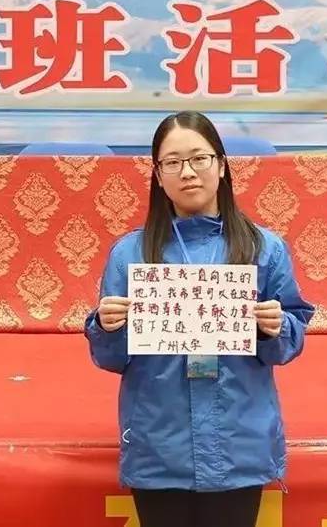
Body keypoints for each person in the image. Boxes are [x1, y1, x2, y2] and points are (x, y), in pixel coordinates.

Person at [84, 111, 315, 527]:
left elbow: (289, 341)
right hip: (159, 441)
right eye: (172, 162)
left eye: (198, 158)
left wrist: (276, 328)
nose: (187, 172)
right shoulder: (129, 253)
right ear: (158, 176)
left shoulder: (264, 249)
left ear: (221, 166)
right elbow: (111, 359)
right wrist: (106, 328)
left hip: (238, 438)